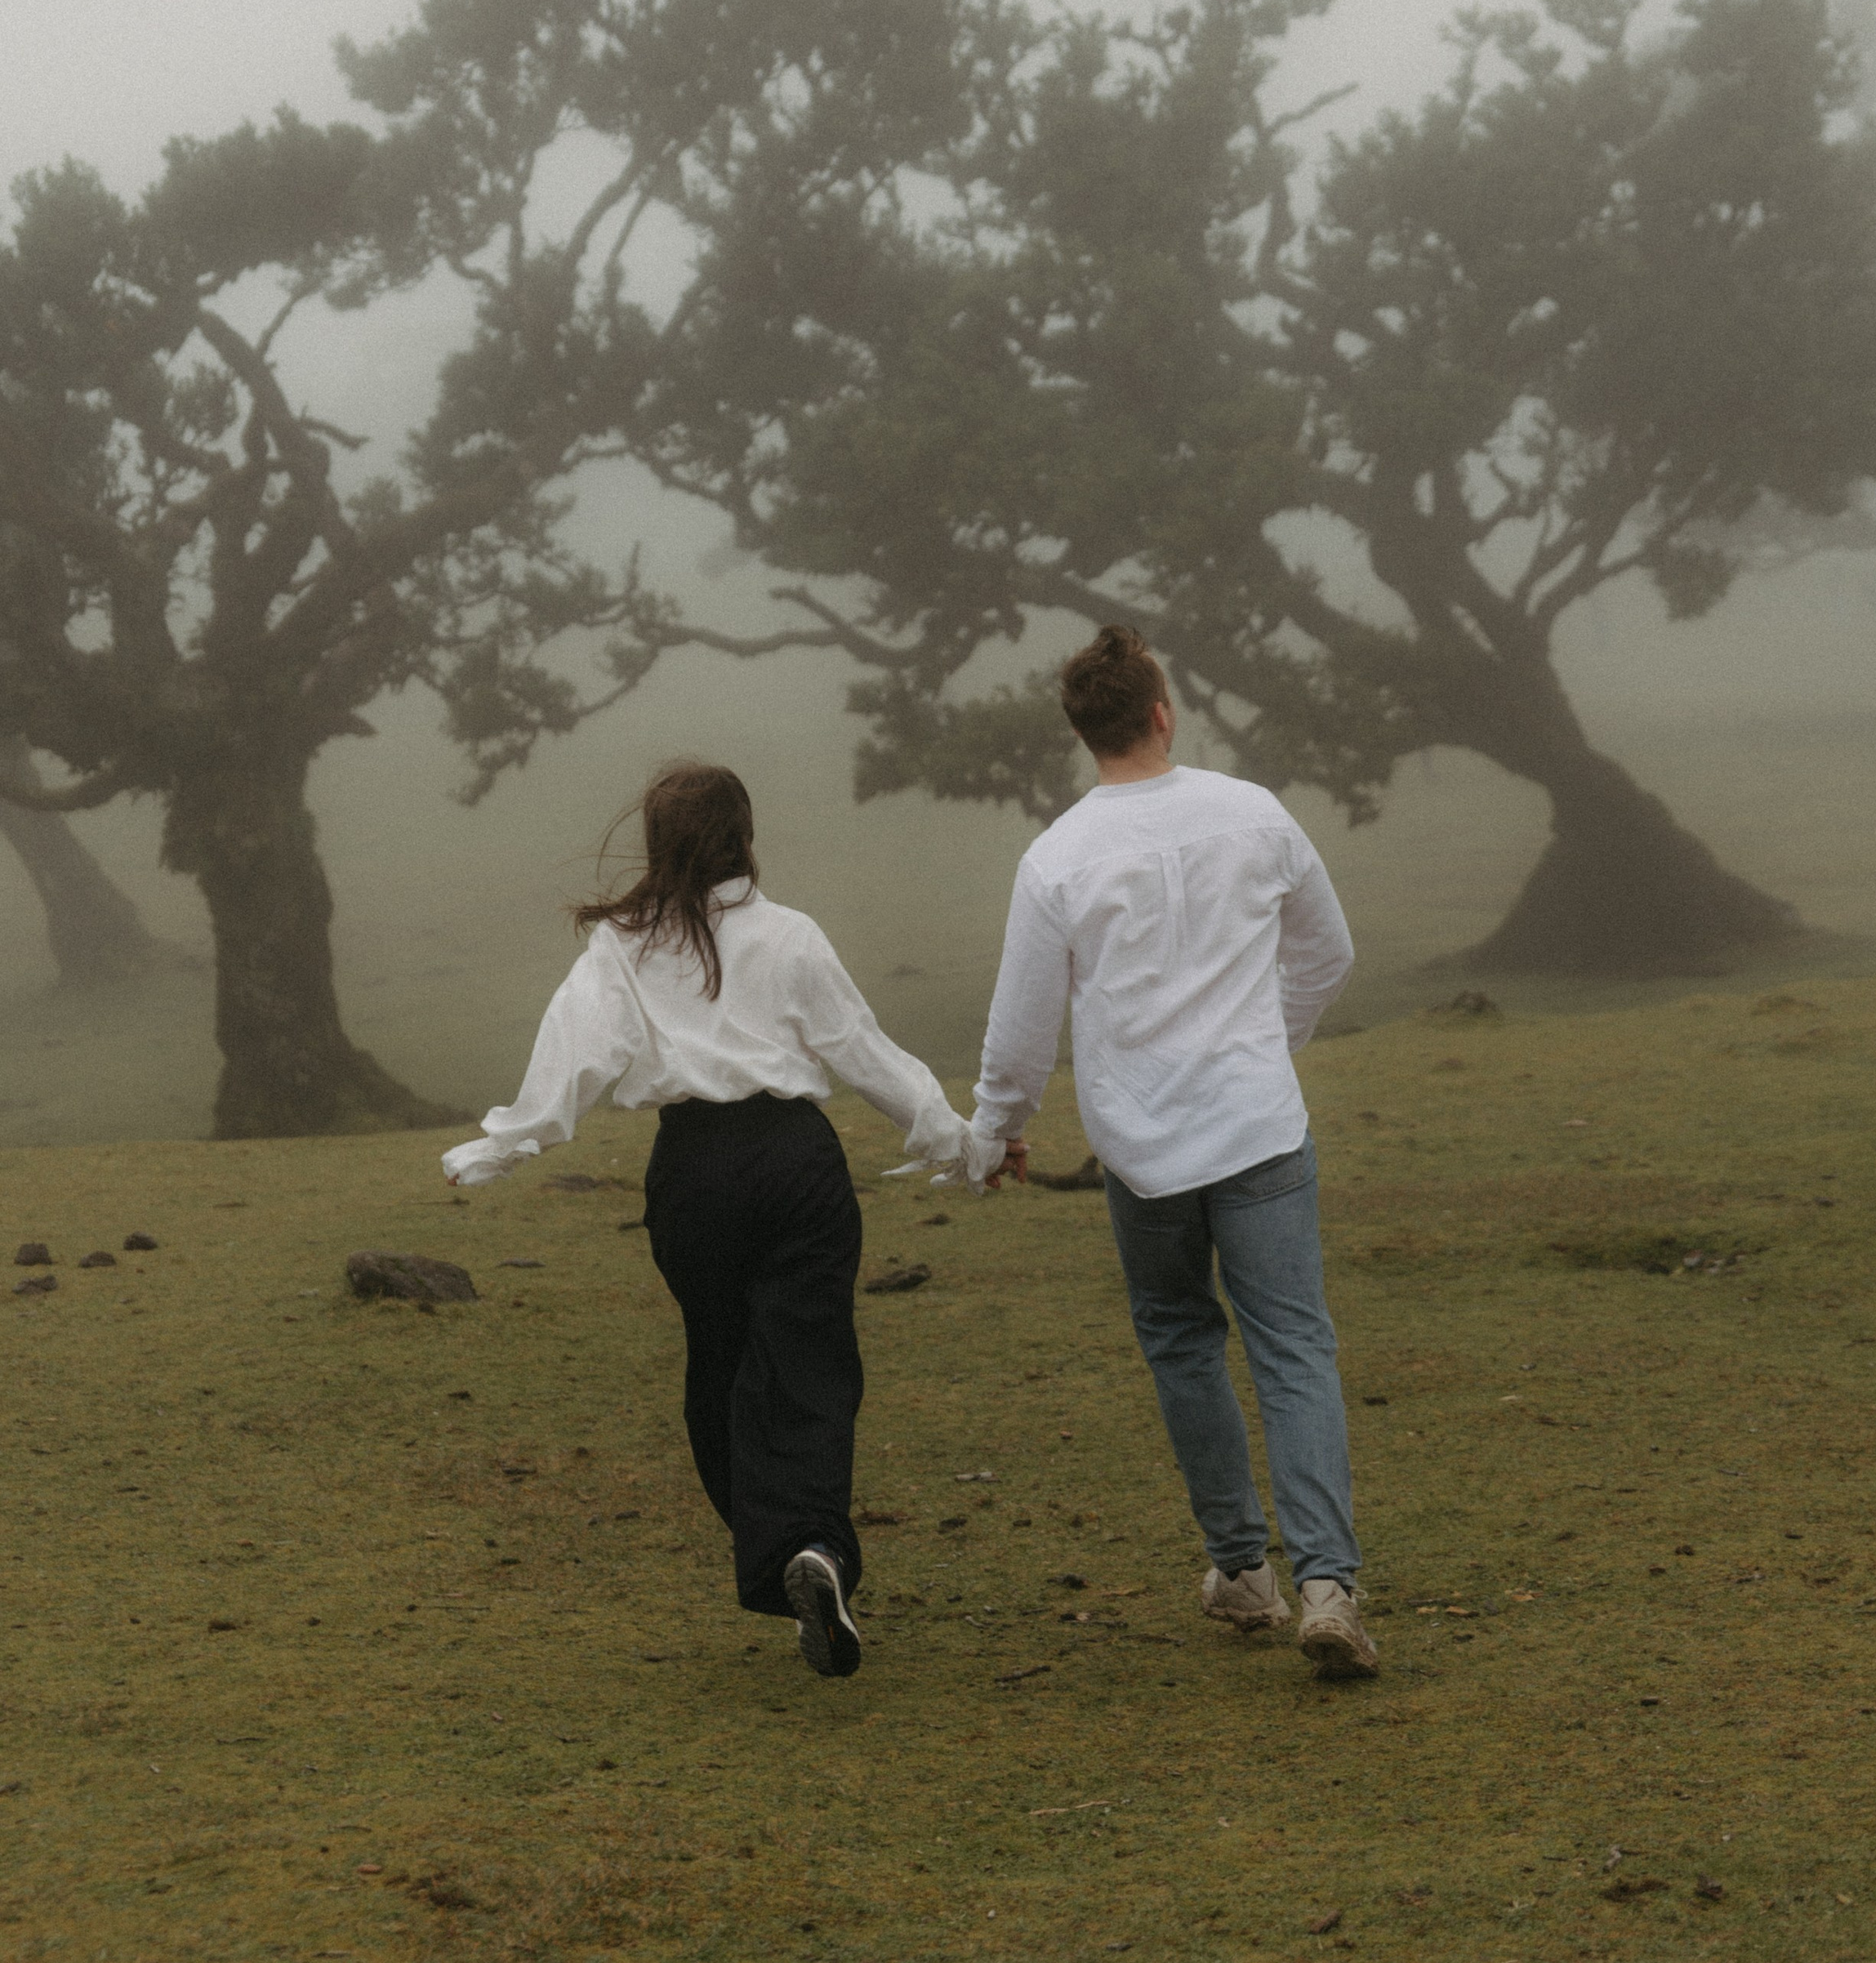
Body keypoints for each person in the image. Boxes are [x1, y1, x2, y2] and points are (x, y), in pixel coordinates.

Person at [440, 761, 1002, 1680]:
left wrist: (506, 1144)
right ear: (745, 838)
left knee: (722, 1364)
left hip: (693, 1176)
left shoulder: (623, 946)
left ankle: (789, 1553)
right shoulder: (790, 935)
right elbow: (863, 1053)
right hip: (796, 1164)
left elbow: (575, 1054)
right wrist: (964, 1145)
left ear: (659, 845)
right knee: (809, 1359)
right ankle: (810, 1546)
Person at [970, 627, 1377, 1679]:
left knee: (1181, 1338)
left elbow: (1022, 1027)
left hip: (1143, 1145)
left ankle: (1241, 1569)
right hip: (1259, 1125)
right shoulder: (1255, 814)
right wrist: (1267, 1041)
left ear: (1083, 730)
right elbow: (1327, 952)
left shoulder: (1057, 858)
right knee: (1294, 1346)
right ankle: (1327, 1586)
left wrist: (999, 1128)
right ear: (1162, 713)